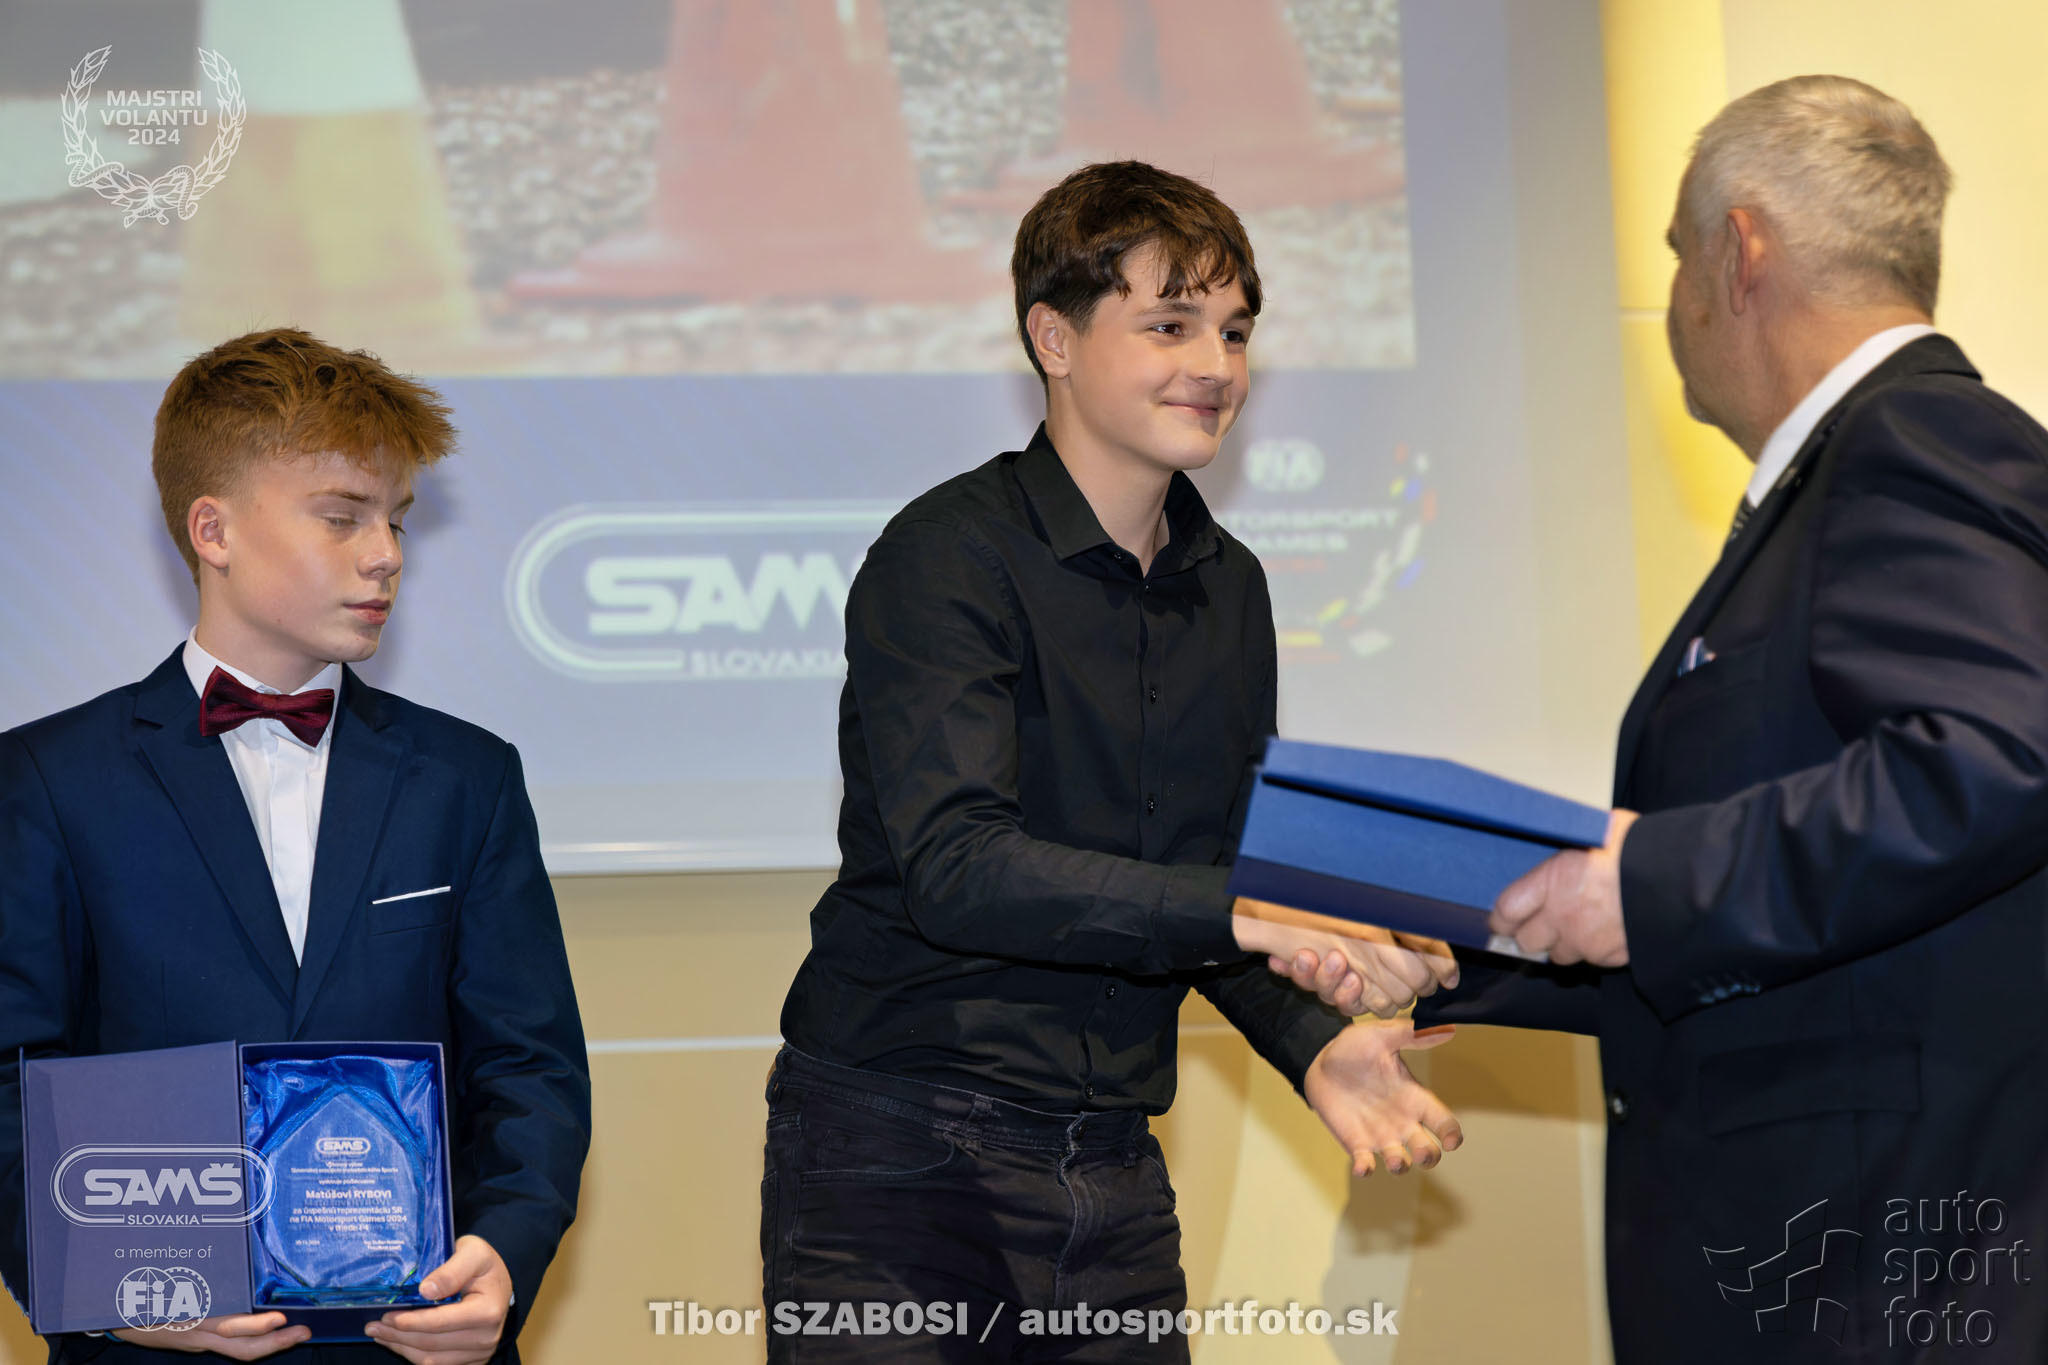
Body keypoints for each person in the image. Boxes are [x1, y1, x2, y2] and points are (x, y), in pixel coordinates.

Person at [763, 161, 1463, 1362]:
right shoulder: (947, 557)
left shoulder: (1229, 587)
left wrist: (1316, 1043)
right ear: (1054, 338)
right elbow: (959, 868)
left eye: (1234, 331)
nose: (1215, 365)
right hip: (899, 1153)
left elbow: (1201, 877)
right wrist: (1251, 911)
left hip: (1111, 1164)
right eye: (1169, 325)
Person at [1406, 76, 2048, 1361]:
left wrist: (1643, 879)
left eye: (1673, 258)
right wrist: (1442, 958)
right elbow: (1794, 907)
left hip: (1876, 1284)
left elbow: (1999, 754)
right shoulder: (1856, 469)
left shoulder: (1912, 437)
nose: (1673, 307)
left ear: (1736, 253)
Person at [0, 329, 592, 1364]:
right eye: (342, 516)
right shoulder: (47, 779)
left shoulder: (466, 776)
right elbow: (8, 1081)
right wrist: (108, 1293)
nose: (387, 553)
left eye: (397, 519)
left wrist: (502, 1252)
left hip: (411, 1343)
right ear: (214, 529)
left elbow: (529, 1067)